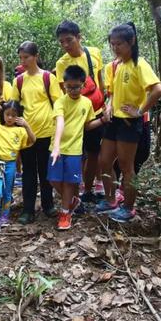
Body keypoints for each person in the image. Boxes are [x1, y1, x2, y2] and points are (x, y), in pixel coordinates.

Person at [96, 23, 161, 223]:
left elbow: (158, 90)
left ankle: (128, 207)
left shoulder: (139, 63)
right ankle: (111, 200)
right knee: (104, 161)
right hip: (114, 121)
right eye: (112, 44)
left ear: (131, 42)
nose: (116, 48)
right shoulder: (117, 65)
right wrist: (108, 106)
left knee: (127, 166)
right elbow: (113, 93)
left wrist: (140, 110)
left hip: (129, 123)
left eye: (119, 44)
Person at [49, 65, 108, 230]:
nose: (73, 90)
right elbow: (60, 121)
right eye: (69, 87)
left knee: (69, 182)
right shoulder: (60, 102)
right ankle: (73, 201)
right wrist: (56, 146)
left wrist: (102, 120)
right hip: (57, 147)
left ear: (83, 85)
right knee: (53, 179)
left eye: (76, 87)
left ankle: (65, 213)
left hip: (75, 149)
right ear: (64, 85)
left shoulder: (87, 103)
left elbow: (87, 125)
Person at [12, 41, 63, 224]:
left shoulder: (48, 78)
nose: (23, 61)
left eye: (26, 57)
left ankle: (48, 205)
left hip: (46, 131)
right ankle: (28, 209)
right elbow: (14, 107)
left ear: (36, 56)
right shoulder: (18, 81)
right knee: (28, 172)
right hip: (27, 134)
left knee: (45, 170)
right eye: (21, 58)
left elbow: (59, 105)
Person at [55, 21, 106, 202]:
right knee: (77, 153)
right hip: (76, 115)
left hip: (97, 110)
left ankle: (89, 189)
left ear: (79, 37)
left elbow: (100, 81)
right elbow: (65, 91)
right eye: (62, 42)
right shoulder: (61, 63)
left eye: (69, 40)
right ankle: (77, 191)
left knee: (94, 152)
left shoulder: (94, 53)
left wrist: (104, 102)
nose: (66, 45)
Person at [0, 100, 35, 234]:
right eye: (7, 114)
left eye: (13, 115)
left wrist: (26, 125)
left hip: (11, 164)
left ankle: (5, 216)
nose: (10, 118)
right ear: (3, 114)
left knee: (7, 192)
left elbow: (33, 140)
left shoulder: (20, 131)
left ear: (18, 116)